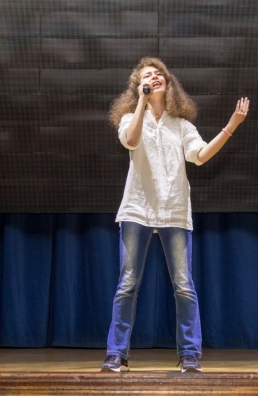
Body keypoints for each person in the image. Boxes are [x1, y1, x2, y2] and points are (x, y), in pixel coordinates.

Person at [101, 57, 249, 373]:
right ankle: (116, 354)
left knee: (183, 285)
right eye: (147, 76)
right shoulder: (129, 117)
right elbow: (131, 140)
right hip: (137, 209)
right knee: (127, 284)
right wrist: (141, 101)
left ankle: (190, 355)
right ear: (137, 85)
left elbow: (200, 155)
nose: (154, 78)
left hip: (174, 211)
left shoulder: (181, 125)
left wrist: (231, 126)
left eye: (159, 74)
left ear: (168, 83)